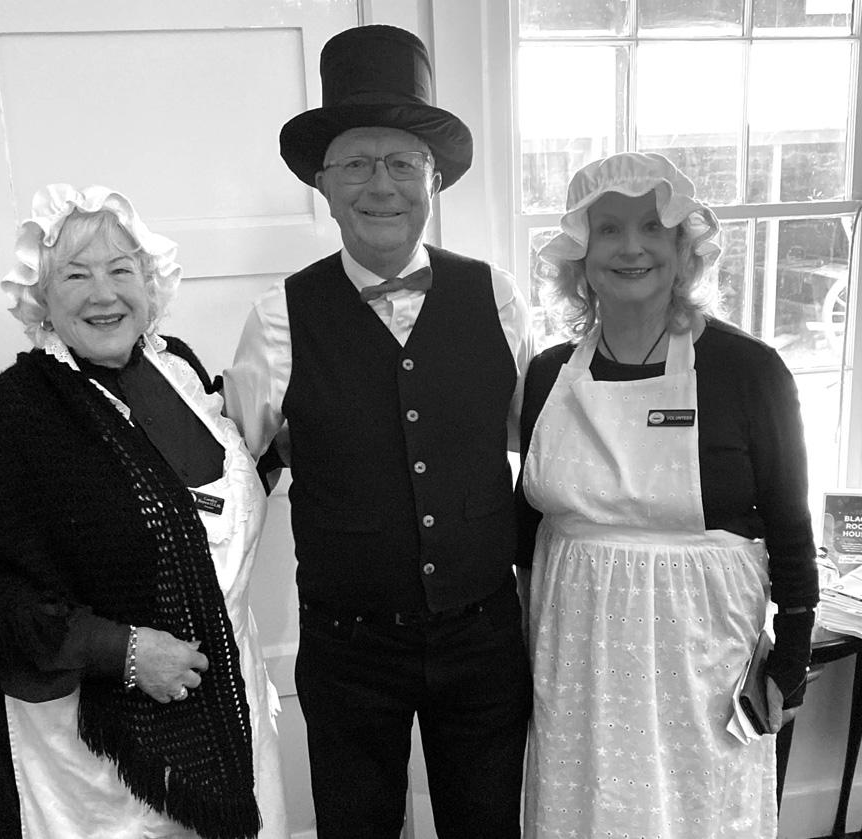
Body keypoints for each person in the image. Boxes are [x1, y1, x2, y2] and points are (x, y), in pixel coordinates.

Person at [223, 24, 533, 839]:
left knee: (488, 825)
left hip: (483, 634)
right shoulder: (277, 319)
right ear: (324, 187)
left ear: (435, 180)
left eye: (402, 163)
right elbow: (234, 478)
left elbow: (538, 453)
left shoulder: (498, 298)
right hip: (349, 647)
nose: (381, 185)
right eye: (356, 164)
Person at [0, 184, 287, 839]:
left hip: (224, 700)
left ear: (151, 284)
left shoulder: (178, 370)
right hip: (101, 763)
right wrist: (126, 651)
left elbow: (205, 506)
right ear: (41, 296)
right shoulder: (9, 418)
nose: (103, 294)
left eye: (121, 270)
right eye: (76, 275)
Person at [515, 151, 819, 838]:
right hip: (577, 650)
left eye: (653, 227)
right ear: (579, 251)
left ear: (685, 248)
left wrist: (792, 658)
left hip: (705, 652)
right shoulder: (548, 376)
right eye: (609, 229)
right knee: (586, 811)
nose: (631, 248)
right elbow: (524, 532)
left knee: (701, 813)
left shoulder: (749, 371)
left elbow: (790, 527)